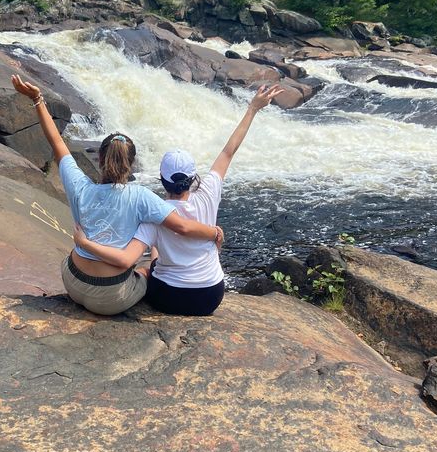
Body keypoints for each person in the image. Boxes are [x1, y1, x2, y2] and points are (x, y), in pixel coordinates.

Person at [11, 74, 224, 316]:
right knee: (146, 270)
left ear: (100, 159)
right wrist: (213, 232)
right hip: (110, 299)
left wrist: (38, 99)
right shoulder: (141, 197)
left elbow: (57, 143)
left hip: (73, 282)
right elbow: (183, 227)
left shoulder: (80, 186)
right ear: (131, 164)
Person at [74, 83, 283, 316]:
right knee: (155, 256)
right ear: (193, 177)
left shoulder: (154, 214)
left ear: (161, 180)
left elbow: (126, 258)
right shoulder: (208, 192)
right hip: (211, 295)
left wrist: (85, 244)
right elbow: (228, 151)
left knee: (147, 266)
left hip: (169, 297)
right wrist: (253, 108)